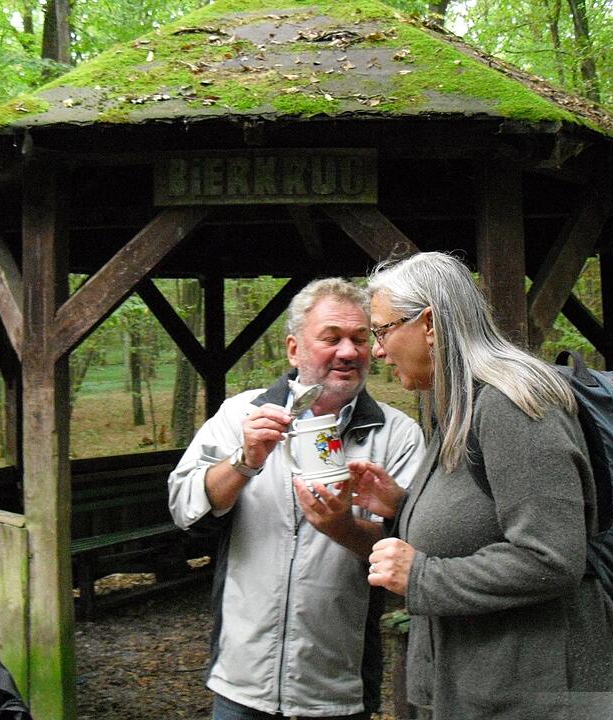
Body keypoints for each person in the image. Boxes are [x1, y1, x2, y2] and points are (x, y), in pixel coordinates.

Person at [350, 252, 613, 719]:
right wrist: (402, 507)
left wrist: (422, 576)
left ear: (430, 324)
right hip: (497, 685)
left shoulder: (511, 404)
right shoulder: (455, 402)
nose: (378, 350)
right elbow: (482, 516)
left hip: (546, 690)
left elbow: (550, 555)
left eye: (382, 331)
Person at [168, 277, 426, 720]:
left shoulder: (397, 434)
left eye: (360, 339)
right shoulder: (240, 415)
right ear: (293, 350)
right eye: (331, 339)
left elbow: (415, 548)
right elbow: (183, 505)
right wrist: (243, 461)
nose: (348, 352)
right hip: (240, 681)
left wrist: (341, 527)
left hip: (336, 688)